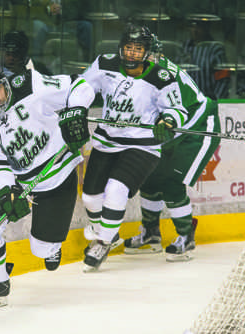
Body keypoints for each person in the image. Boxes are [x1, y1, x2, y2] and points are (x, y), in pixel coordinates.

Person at [0, 55, 94, 307]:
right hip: (17, 178)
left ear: (6, 82)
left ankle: (51, 247)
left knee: (41, 251)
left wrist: (76, 111)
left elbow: (80, 86)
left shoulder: (30, 84)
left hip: (57, 172)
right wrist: (8, 190)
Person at [73, 23, 189, 271]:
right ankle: (108, 233)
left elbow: (177, 110)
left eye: (138, 49)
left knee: (116, 190)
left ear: (146, 52)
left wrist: (168, 121)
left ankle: (102, 243)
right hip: (106, 141)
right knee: (90, 198)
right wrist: (77, 108)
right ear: (121, 47)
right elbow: (83, 87)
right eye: (128, 47)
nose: (132, 53)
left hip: (143, 146)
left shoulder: (161, 77)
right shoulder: (104, 63)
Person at [123, 34, 221, 262]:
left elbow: (183, 111)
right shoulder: (140, 73)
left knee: (172, 182)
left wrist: (168, 125)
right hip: (171, 133)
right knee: (148, 179)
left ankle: (186, 236)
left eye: (149, 53)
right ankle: (150, 234)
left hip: (197, 130)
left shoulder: (166, 75)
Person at [181, 19, 230, 100]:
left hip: (208, 100)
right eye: (193, 27)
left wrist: (216, 101)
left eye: (199, 27)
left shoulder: (215, 49)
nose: (195, 30)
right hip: (186, 101)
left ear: (206, 29)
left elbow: (223, 79)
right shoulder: (185, 47)